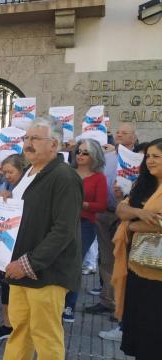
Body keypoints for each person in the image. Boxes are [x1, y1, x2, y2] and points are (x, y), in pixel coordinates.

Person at [2, 119, 83, 360]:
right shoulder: (30, 172)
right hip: (20, 268)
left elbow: (63, 230)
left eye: (35, 139)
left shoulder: (64, 176)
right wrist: (8, 200)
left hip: (46, 272)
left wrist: (28, 263)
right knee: (20, 331)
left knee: (45, 336)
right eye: (26, 138)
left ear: (54, 144)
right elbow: (29, 213)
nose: (27, 144)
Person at [111, 138, 162, 359]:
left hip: (158, 277)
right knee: (139, 333)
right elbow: (121, 210)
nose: (150, 161)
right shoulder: (144, 184)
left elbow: (158, 224)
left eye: (156, 156)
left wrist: (130, 224)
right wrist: (140, 214)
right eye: (148, 156)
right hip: (136, 267)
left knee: (154, 336)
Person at [90, 124, 137, 340]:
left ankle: (123, 306)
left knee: (124, 262)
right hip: (105, 213)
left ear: (134, 137)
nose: (119, 135)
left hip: (128, 218)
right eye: (117, 132)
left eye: (124, 133)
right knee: (106, 259)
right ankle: (108, 301)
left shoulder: (140, 159)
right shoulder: (108, 158)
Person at [62, 139, 107, 323]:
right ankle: (56, 301)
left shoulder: (98, 178)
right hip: (63, 222)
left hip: (85, 224)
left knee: (74, 263)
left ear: (94, 156)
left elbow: (102, 205)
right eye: (78, 151)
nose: (80, 155)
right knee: (60, 262)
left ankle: (69, 305)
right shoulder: (67, 172)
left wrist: (82, 204)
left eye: (85, 152)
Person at [0, 154, 27, 341]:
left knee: (17, 288)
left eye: (10, 172)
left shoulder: (29, 187)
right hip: (6, 243)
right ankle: (7, 324)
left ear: (22, 170)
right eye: (4, 173)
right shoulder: (7, 184)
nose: (7, 176)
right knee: (6, 286)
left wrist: (12, 199)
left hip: (22, 245)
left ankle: (20, 326)